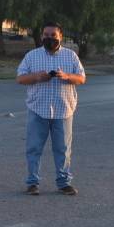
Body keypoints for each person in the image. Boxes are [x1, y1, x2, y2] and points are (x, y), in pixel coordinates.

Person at [15, 22, 85, 196]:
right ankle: (32, 183)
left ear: (60, 36)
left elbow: (82, 78)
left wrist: (67, 76)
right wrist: (37, 77)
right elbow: (20, 79)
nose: (49, 38)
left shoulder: (71, 56)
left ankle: (64, 183)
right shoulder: (32, 56)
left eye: (53, 35)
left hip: (63, 111)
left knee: (63, 149)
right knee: (34, 148)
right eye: (46, 35)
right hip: (38, 109)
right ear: (42, 36)